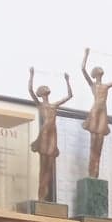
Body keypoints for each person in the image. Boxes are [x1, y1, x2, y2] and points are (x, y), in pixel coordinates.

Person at [27, 66, 72, 202]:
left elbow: (69, 96)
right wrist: (31, 74)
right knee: (43, 166)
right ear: (41, 93)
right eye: (43, 89)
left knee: (49, 167)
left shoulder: (54, 105)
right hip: (45, 134)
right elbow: (30, 90)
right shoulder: (40, 105)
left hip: (53, 135)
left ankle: (45, 196)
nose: (46, 90)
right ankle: (41, 196)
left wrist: (67, 80)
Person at [80, 48, 112, 178]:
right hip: (95, 113)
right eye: (97, 70)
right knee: (93, 145)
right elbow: (83, 69)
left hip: (103, 114)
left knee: (99, 146)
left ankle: (96, 174)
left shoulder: (106, 86)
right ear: (95, 74)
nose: (100, 71)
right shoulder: (93, 85)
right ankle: (91, 173)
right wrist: (86, 54)